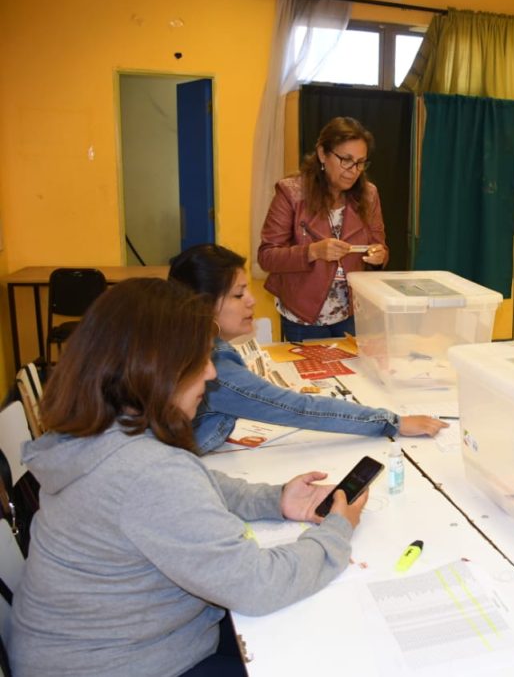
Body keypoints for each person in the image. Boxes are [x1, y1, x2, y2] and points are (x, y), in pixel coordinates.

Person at [9, 278, 368, 677]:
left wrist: (274, 499)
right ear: (156, 369)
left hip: (93, 649)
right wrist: (337, 531)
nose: (211, 372)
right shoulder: (147, 472)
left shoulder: (100, 430)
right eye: (200, 359)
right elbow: (258, 585)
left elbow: (193, 486)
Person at [169, 244, 446, 454]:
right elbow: (298, 409)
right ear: (204, 305)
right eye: (239, 294)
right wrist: (393, 422)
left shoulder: (182, 344)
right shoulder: (213, 366)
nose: (251, 300)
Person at [258, 116, 387, 341]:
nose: (354, 171)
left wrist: (379, 255)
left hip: (351, 311)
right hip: (303, 315)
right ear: (322, 154)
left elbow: (380, 246)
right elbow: (267, 257)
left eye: (360, 162)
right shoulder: (291, 192)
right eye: (346, 160)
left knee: (353, 365)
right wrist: (313, 251)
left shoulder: (369, 194)